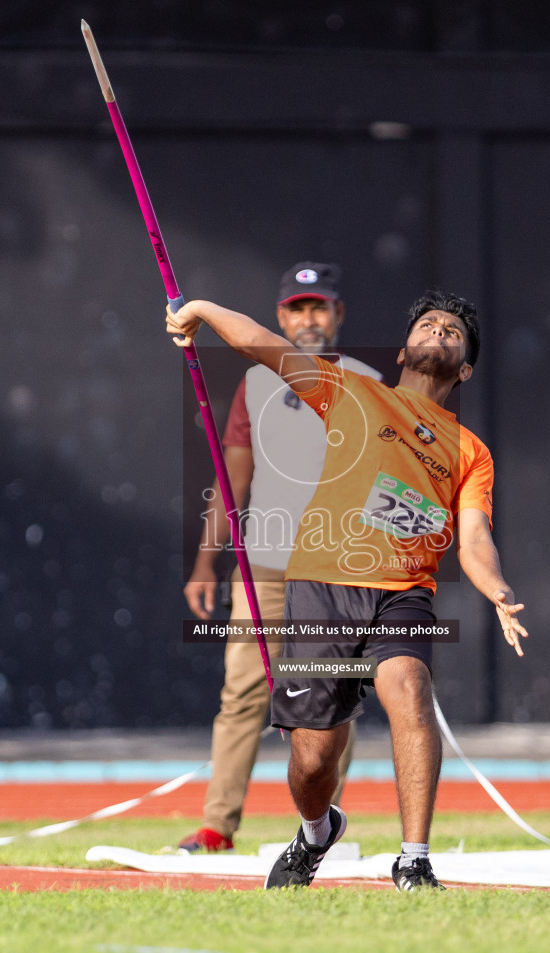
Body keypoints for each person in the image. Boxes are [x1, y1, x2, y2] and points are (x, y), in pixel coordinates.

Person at [166, 289, 527, 891]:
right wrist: (202, 308)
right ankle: (315, 832)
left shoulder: (469, 451)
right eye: (429, 323)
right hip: (322, 589)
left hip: (403, 592)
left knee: (410, 692)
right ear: (405, 350)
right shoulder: (354, 394)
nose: (439, 330)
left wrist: (495, 587)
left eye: (453, 331)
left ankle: (413, 859)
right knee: (312, 759)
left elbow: (474, 537)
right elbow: (267, 345)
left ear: (464, 367)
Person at [179, 262, 381, 853]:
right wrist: (204, 561)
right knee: (241, 693)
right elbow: (233, 477)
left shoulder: (367, 382)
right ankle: (219, 826)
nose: (308, 319)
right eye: (297, 308)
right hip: (265, 568)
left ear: (338, 315)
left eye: (319, 307)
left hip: (338, 569)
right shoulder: (255, 384)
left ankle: (325, 828)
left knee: (336, 697)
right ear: (279, 317)